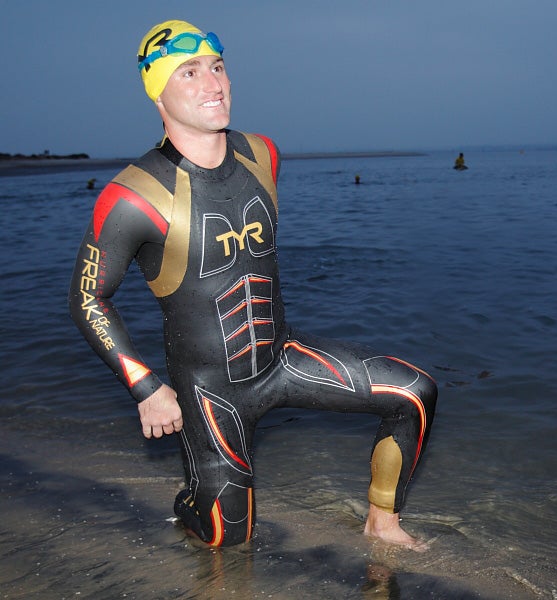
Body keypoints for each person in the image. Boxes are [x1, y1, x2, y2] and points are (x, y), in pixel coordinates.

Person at [68, 20, 437, 550]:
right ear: (158, 95)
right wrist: (146, 387)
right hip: (209, 391)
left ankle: (383, 522)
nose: (212, 83)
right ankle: (194, 497)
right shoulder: (132, 196)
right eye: (189, 73)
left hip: (281, 359)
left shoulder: (263, 154)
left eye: (217, 67)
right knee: (228, 541)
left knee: (414, 393)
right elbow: (87, 298)